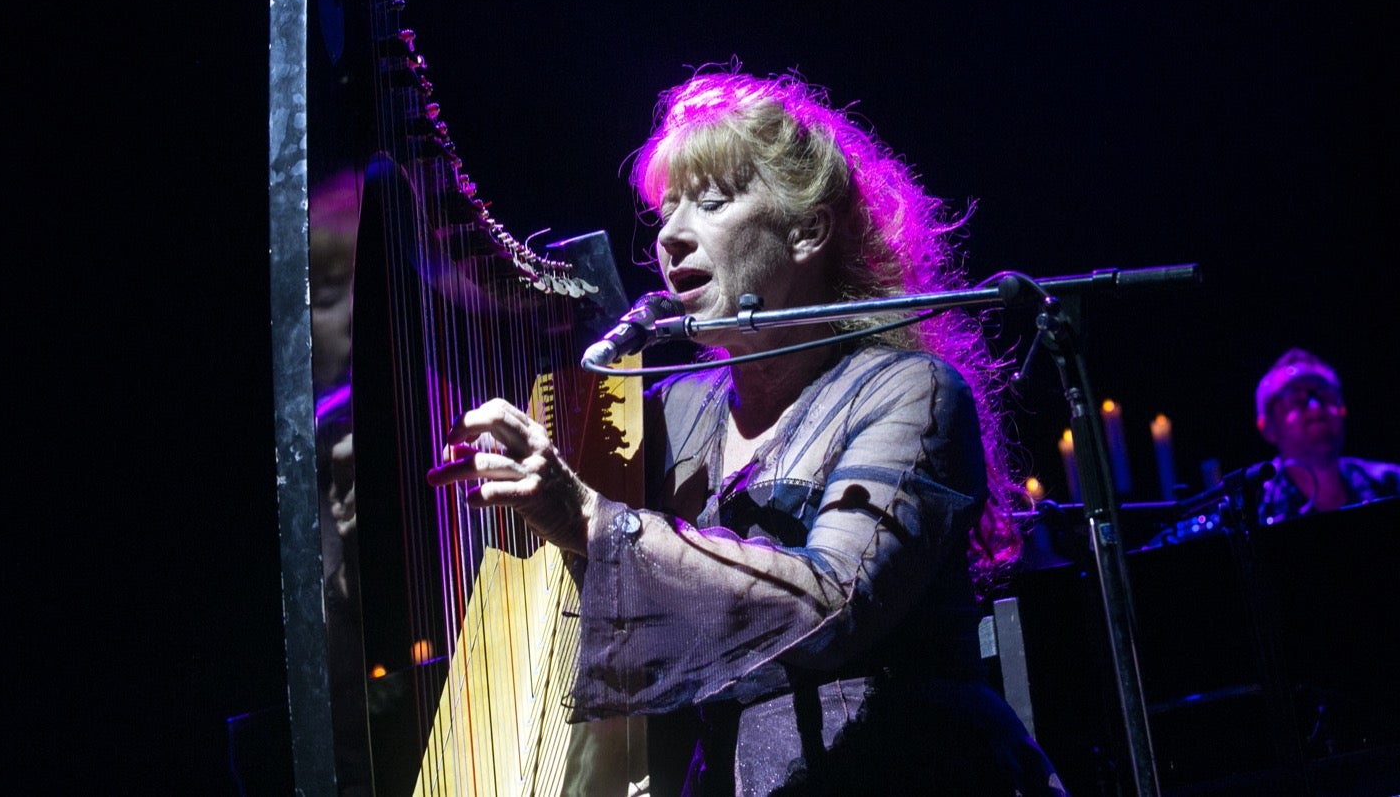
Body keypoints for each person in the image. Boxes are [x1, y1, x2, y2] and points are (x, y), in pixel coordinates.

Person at [427, 66, 1067, 795]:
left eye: (710, 202)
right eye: (666, 211)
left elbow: (833, 608)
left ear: (808, 231)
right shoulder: (667, 413)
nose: (670, 235)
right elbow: (624, 609)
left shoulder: (908, 392)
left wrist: (589, 518)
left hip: (903, 769)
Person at [1252, 347, 1400, 524]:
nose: (1315, 408)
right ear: (1268, 427)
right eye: (1295, 400)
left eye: (1325, 395)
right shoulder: (1253, 510)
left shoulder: (1394, 485)